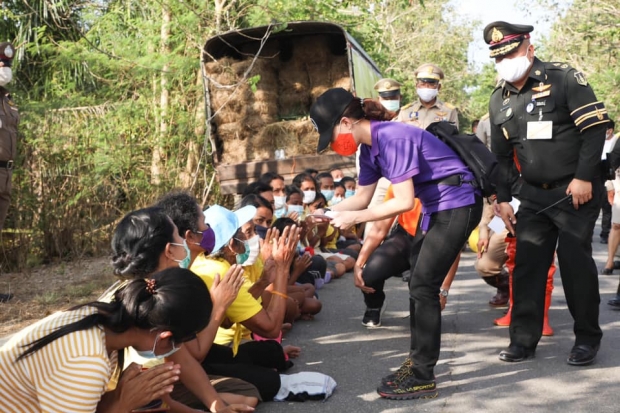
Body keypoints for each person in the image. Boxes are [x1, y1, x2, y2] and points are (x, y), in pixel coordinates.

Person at [310, 88, 482, 400]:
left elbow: (402, 202)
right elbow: (361, 197)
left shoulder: (392, 137)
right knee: (420, 283)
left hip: (457, 202)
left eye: (331, 134)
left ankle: (422, 373)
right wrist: (323, 213)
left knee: (423, 286)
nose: (333, 144)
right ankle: (418, 365)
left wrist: (354, 219)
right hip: (438, 206)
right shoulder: (370, 148)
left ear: (346, 122)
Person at [485, 21, 609, 366]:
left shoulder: (564, 79)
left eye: (511, 52)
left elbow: (595, 130)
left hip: (575, 193)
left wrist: (584, 177)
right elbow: (499, 157)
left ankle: (586, 339)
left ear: (529, 48)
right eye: (499, 57)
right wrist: (504, 198)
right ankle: (523, 340)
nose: (506, 60)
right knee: (527, 267)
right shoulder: (499, 99)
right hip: (533, 197)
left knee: (574, 263)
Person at [0, 267, 220, 413]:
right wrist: (123, 403)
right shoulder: (87, 360)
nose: (176, 350)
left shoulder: (101, 322)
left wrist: (119, 395)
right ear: (165, 336)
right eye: (178, 344)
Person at [107, 207, 258, 412]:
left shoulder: (162, 291)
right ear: (169, 250)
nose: (185, 241)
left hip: (157, 391)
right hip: (132, 395)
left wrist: (217, 408)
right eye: (179, 235)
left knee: (248, 394)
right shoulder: (149, 299)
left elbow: (184, 361)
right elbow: (192, 356)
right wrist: (219, 307)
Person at [0, 42, 18, 303]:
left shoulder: (7, 100)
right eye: (0, 64)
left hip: (5, 174)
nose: (4, 68)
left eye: (7, 65)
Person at [398, 63, 459, 130]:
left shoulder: (449, 111)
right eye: (423, 84)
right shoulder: (405, 111)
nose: (426, 87)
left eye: (431, 84)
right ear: (417, 86)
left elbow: (452, 138)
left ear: (438, 87)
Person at [599, 120, 617, 245]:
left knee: (607, 207)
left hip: (610, 176)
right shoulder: (596, 141)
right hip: (596, 174)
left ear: (610, 130)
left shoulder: (616, 142)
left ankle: (605, 233)